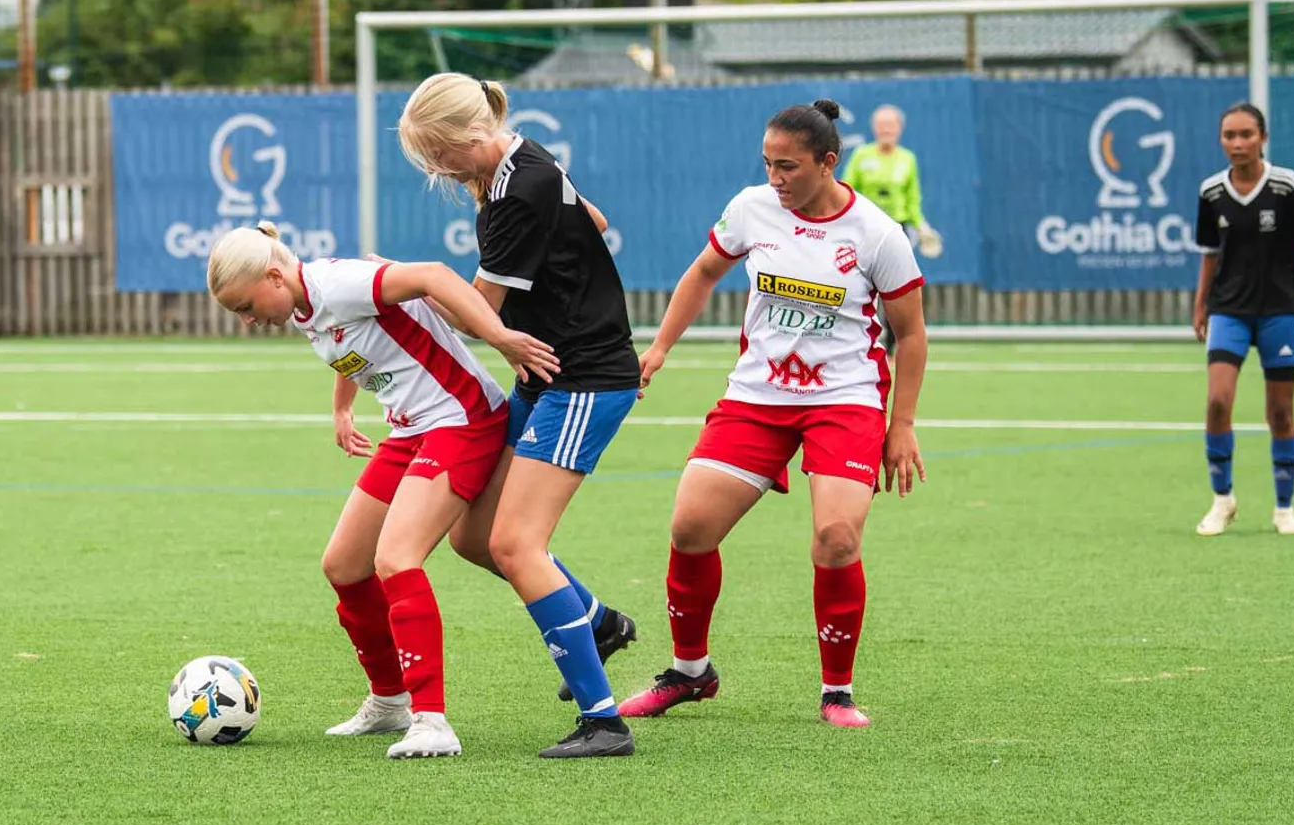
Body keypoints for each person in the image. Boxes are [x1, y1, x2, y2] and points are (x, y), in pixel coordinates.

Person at [621, 99, 929, 729]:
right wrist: (657, 347)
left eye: (787, 166)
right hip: (756, 397)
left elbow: (913, 334)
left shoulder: (876, 234)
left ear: (827, 162)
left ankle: (837, 692)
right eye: (767, 164)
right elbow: (703, 272)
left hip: (845, 400)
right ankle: (689, 673)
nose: (775, 179)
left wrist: (901, 426)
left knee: (837, 538)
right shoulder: (751, 208)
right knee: (690, 528)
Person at [206, 222, 560, 759]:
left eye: (244, 306)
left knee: (397, 557)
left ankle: (432, 720)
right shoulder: (303, 305)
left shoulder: (336, 284)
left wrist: (500, 337)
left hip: (461, 419)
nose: (248, 320)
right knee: (344, 565)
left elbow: (434, 277)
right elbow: (353, 345)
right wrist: (341, 408)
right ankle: (389, 699)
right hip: (412, 428)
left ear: (274, 276)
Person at [396, 72, 644, 758]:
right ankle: (595, 621)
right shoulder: (523, 158)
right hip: (549, 371)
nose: (436, 169)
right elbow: (593, 222)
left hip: (581, 379)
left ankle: (604, 721)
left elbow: (483, 310)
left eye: (439, 155)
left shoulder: (515, 189)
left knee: (515, 544)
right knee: (472, 537)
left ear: (474, 136)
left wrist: (403, 298)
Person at [1192, 102, 1294, 537]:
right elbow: (1209, 253)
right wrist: (1200, 304)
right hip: (1229, 310)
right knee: (1218, 401)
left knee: (1280, 412)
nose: (1237, 144)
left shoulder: (1287, 185)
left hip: (1280, 309)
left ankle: (1284, 508)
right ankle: (1222, 499)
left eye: (1246, 135)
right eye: (1229, 136)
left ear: (1262, 138)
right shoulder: (1211, 192)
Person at [841, 105, 941, 258]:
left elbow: (912, 198)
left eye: (891, 125)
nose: (886, 130)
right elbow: (846, 191)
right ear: (874, 128)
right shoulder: (861, 155)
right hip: (867, 227)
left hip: (898, 228)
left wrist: (922, 226)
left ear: (900, 128)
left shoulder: (907, 159)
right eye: (881, 125)